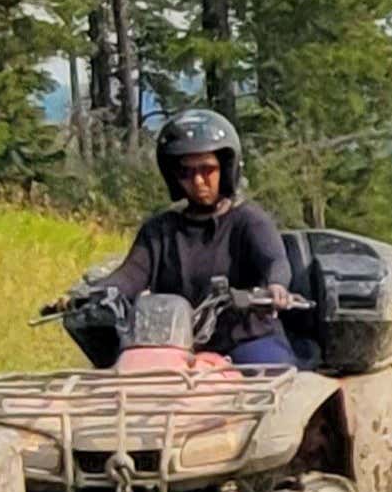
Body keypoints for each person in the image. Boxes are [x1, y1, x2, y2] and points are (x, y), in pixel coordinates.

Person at [81, 108, 297, 367]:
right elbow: (130, 274)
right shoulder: (159, 230)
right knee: (124, 383)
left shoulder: (250, 221)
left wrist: (275, 286)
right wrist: (93, 294)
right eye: (186, 172)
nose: (197, 180)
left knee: (270, 378)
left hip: (246, 339)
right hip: (172, 344)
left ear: (226, 169)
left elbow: (275, 260)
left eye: (207, 169)